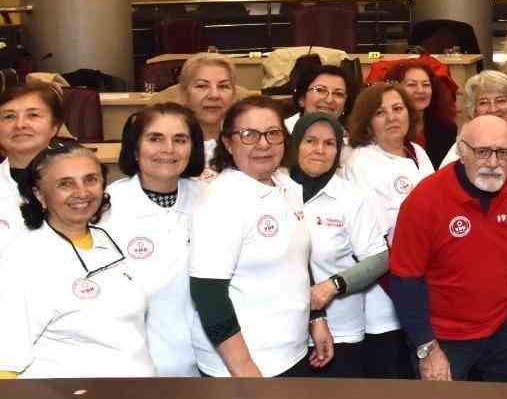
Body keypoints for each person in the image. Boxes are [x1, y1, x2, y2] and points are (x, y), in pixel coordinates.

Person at [388, 115, 507, 383]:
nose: (493, 163)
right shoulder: (424, 201)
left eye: (503, 153)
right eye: (482, 152)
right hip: (442, 336)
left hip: (503, 325)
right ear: (461, 151)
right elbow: (405, 281)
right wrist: (427, 348)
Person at [190, 97, 331, 378]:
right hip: (246, 366)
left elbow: (296, 261)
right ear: (228, 143)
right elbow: (208, 294)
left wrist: (316, 318)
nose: (263, 144)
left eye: (272, 133)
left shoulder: (286, 185)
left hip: (291, 352)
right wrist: (244, 369)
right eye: (248, 135)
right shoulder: (221, 200)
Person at [0, 140, 156, 378]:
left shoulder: (111, 242)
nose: (82, 192)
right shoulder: (22, 259)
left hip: (137, 392)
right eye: (65, 184)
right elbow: (6, 362)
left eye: (90, 180)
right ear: (39, 194)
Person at [102, 102, 207, 377]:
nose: (168, 149)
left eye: (180, 140)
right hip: (133, 363)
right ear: (135, 149)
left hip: (207, 360)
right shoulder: (106, 207)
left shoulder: (211, 198)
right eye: (155, 138)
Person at [344, 83, 434, 378]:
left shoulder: (417, 152)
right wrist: (408, 293)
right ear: (367, 122)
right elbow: (376, 241)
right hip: (388, 294)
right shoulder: (362, 162)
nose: (392, 117)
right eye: (380, 113)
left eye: (398, 109)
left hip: (427, 283)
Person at [290, 114, 390, 378]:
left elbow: (380, 258)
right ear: (295, 144)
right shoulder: (277, 188)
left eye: (329, 143)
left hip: (341, 331)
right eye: (310, 141)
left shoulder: (351, 196)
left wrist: (332, 286)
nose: (319, 150)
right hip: (284, 333)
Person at [0, 82, 66, 252]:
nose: (20, 125)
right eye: (9, 116)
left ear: (54, 127)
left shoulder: (82, 182)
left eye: (33, 115)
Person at [440, 70, 507, 167]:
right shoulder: (462, 146)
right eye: (484, 102)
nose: (493, 109)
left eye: (500, 101)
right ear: (474, 110)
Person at [390, 61, 457, 168]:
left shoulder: (446, 128)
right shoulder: (390, 127)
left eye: (426, 85)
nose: (420, 90)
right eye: (412, 84)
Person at [176, 53, 236, 163]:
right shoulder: (169, 147)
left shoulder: (245, 144)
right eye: (202, 86)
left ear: (233, 95)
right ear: (184, 94)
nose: (214, 95)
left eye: (223, 86)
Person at [285, 62, 353, 134]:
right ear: (302, 99)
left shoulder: (352, 137)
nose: (329, 100)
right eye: (320, 90)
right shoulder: (282, 132)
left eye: (338, 94)